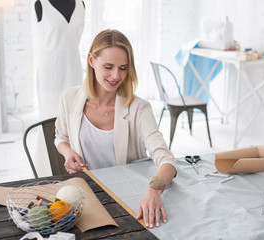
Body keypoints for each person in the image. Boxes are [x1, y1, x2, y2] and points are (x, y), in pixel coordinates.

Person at [54, 29, 177, 229]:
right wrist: (68, 153)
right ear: (91, 61)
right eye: (108, 67)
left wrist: (154, 191)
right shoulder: (69, 97)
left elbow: (167, 160)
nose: (115, 76)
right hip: (86, 196)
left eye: (123, 68)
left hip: (128, 198)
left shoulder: (139, 108)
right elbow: (60, 137)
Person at [33, 0, 85, 176]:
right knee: (50, 118)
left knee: (74, 116)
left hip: (74, 68)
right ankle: (46, 168)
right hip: (51, 72)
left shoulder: (81, 3)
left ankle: (74, 164)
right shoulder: (41, 4)